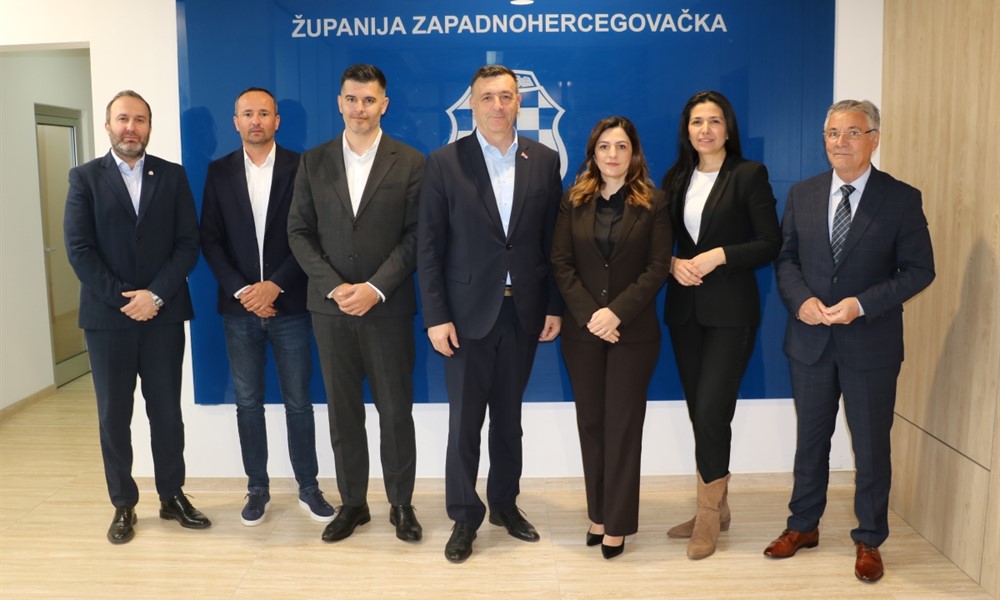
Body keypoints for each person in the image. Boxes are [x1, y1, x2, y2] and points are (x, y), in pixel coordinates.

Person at [765, 100, 935, 583]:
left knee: (871, 447)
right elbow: (787, 259)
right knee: (810, 440)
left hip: (871, 344)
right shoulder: (802, 193)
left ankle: (869, 539)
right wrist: (801, 301)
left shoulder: (901, 198)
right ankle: (803, 525)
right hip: (810, 341)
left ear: (874, 139)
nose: (841, 142)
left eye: (853, 132)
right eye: (833, 133)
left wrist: (860, 304)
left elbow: (919, 270)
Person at [417, 64, 563, 563]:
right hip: (464, 317)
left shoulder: (543, 160)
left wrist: (554, 306)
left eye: (506, 96)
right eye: (487, 97)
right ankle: (464, 517)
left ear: (518, 102)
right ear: (472, 104)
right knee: (464, 425)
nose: (497, 106)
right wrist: (436, 316)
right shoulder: (444, 162)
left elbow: (553, 242)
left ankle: (504, 504)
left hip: (523, 312)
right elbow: (429, 247)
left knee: (508, 420)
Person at [287, 64, 425, 543]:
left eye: (369, 100)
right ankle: (353, 505)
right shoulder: (314, 161)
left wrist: (375, 288)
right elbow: (298, 232)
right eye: (351, 99)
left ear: (384, 104)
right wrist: (335, 287)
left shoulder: (411, 162)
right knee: (343, 413)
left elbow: (416, 236)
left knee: (395, 412)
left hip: (387, 308)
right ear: (339, 103)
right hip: (331, 310)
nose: (359, 108)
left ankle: (401, 505)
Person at [64, 90, 209, 544]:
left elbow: (188, 244)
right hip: (108, 321)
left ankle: (172, 495)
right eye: (123, 119)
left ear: (149, 126)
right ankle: (123, 504)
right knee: (114, 417)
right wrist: (127, 299)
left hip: (163, 317)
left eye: (140, 119)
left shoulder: (172, 175)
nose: (132, 127)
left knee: (166, 413)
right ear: (108, 125)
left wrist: (156, 296)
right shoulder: (84, 178)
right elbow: (79, 250)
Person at [200, 87, 334, 527]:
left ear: (277, 120)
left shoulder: (303, 166)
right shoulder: (219, 172)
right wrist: (244, 291)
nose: (255, 121)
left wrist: (275, 286)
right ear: (235, 121)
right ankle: (257, 488)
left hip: (290, 304)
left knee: (299, 402)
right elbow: (210, 240)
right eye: (247, 114)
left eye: (263, 113)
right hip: (238, 310)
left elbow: (313, 234)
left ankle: (309, 487)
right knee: (247, 403)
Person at [660, 91, 781, 559]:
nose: (705, 130)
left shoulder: (749, 174)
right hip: (685, 312)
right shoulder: (676, 178)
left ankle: (708, 515)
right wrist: (671, 263)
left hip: (731, 312)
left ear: (728, 128)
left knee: (712, 410)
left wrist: (720, 256)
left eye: (714, 121)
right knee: (700, 411)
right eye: (697, 122)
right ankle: (718, 506)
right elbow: (657, 241)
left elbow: (770, 242)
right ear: (686, 130)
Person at [550, 117, 671, 559]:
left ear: (634, 153)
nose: (613, 154)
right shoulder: (573, 200)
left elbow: (657, 267)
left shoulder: (654, 202)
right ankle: (598, 514)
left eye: (621, 146)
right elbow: (561, 263)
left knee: (622, 426)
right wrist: (591, 316)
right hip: (582, 334)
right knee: (592, 424)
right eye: (605, 146)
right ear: (593, 153)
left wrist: (615, 313)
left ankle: (617, 525)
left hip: (632, 333)